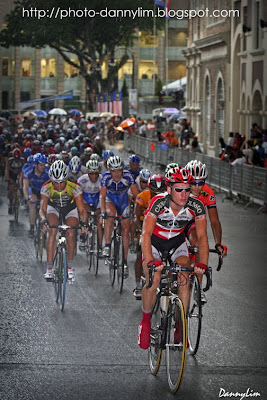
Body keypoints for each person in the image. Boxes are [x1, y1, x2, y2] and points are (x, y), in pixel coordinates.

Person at [138, 166, 209, 350]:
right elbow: (145, 234)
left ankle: (181, 325)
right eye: (179, 189)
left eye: (187, 189)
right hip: (154, 242)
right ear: (169, 189)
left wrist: (202, 263)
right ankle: (145, 322)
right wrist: (150, 259)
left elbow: (202, 237)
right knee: (153, 279)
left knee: (185, 274)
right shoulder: (158, 203)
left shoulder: (196, 205)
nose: (184, 195)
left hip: (177, 243)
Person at [185, 160, 227, 303]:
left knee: (199, 243)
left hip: (194, 223)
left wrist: (218, 243)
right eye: (193, 183)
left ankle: (198, 286)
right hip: (177, 221)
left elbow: (214, 221)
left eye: (200, 183)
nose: (197, 187)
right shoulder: (180, 189)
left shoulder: (207, 192)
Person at [40, 160, 88, 283]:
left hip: (70, 209)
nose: (59, 186)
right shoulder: (46, 187)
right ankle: (49, 268)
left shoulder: (75, 187)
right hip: (53, 208)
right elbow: (43, 208)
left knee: (71, 233)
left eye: (62, 182)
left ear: (66, 179)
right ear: (51, 180)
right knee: (52, 231)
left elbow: (82, 210)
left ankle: (70, 268)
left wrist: (84, 224)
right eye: (56, 183)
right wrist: (43, 220)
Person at [100, 156, 139, 278]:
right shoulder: (105, 178)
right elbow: (102, 197)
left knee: (126, 229)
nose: (116, 174)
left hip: (123, 201)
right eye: (113, 171)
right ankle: (106, 245)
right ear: (109, 171)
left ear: (123, 170)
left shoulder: (128, 176)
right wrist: (102, 211)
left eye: (119, 171)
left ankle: (125, 261)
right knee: (110, 213)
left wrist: (137, 211)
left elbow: (137, 195)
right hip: (110, 199)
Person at [133, 174, 166, 300]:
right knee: (140, 252)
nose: (157, 195)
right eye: (154, 192)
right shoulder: (142, 196)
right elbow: (136, 216)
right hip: (143, 224)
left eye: (160, 192)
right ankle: (137, 284)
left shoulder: (168, 200)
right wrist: (137, 230)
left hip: (159, 228)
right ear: (149, 189)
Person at [77, 159, 103, 252]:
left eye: (96, 173)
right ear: (87, 173)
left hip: (97, 199)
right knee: (84, 214)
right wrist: (84, 205)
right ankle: (83, 234)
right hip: (85, 199)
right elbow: (78, 197)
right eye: (92, 173)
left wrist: (100, 208)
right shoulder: (82, 180)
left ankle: (100, 246)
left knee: (99, 223)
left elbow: (103, 196)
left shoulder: (102, 179)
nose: (94, 176)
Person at [23, 153, 49, 238]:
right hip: (33, 190)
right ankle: (31, 227)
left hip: (44, 191)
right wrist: (27, 198)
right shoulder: (28, 171)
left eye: (44, 165)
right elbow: (25, 187)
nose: (43, 167)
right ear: (35, 165)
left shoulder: (48, 172)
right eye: (41, 165)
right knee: (32, 203)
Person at [5, 148, 24, 215]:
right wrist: (8, 178)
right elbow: (7, 170)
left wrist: (21, 181)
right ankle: (10, 204)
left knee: (22, 186)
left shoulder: (22, 161)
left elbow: (23, 171)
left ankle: (22, 199)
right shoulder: (10, 161)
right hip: (11, 175)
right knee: (11, 190)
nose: (16, 160)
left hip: (19, 174)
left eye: (17, 159)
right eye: (15, 159)